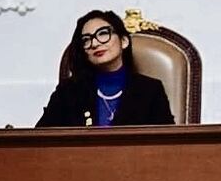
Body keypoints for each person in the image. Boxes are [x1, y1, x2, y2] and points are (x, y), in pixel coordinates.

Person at [36, 10, 174, 127]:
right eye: (86, 40)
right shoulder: (69, 91)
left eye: (103, 34)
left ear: (124, 41)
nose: (94, 43)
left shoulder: (150, 90)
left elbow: (167, 144)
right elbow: (42, 139)